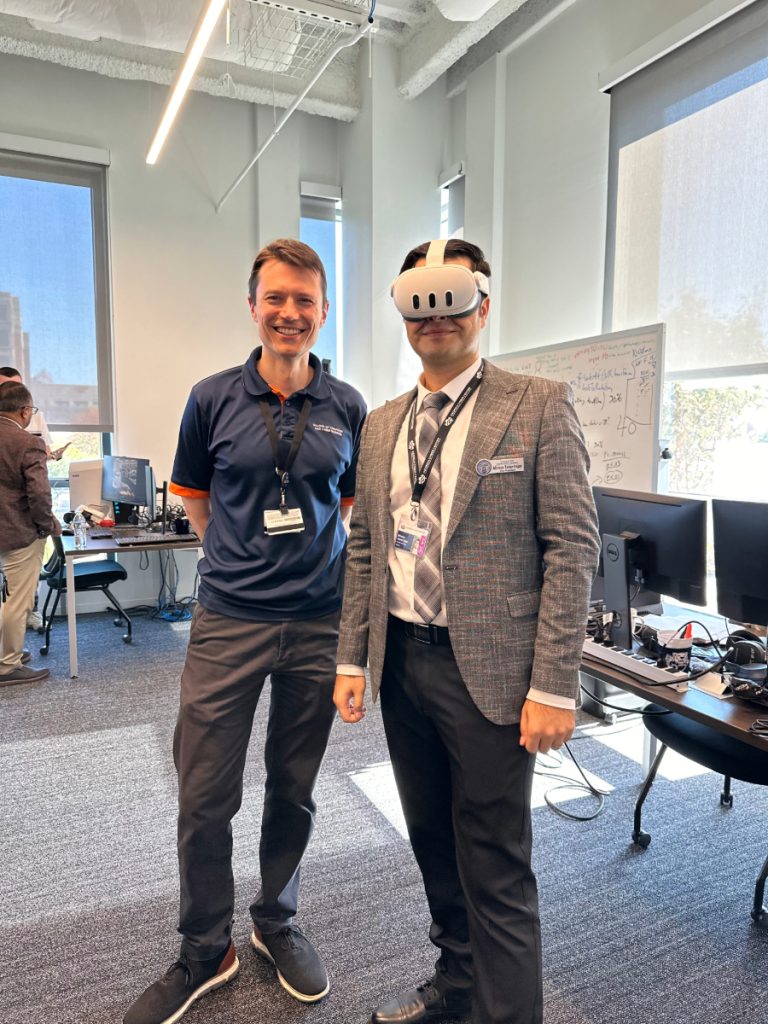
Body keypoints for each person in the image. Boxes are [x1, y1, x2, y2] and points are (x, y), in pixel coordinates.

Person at [334, 238, 600, 1024]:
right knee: (433, 843)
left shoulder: (540, 403)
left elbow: (573, 545)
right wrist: (352, 657)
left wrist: (554, 681)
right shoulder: (381, 425)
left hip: (489, 673)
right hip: (403, 665)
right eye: (421, 302)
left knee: (495, 861)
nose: (436, 319)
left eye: (453, 300)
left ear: (482, 307)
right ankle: (456, 987)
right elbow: (364, 550)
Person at [124, 239, 366, 1024]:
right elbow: (194, 496)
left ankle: (276, 922)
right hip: (229, 620)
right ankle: (205, 947)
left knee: (293, 789)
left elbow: (351, 513)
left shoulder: (348, 408)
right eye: (276, 298)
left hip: (318, 625)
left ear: (323, 311)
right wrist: (238, 560)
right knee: (204, 793)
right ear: (253, 306)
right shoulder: (211, 399)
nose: (289, 312)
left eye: (305, 300)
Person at [0, 380, 59, 685]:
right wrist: (45, 527)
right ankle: (8, 665)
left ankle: (6, 652)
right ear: (24, 411)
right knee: (17, 600)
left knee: (3, 597)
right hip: (17, 533)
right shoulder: (27, 442)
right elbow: (39, 494)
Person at [0, 368, 70, 460]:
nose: (12, 393)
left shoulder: (36, 416)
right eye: (5, 387)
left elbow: (45, 451)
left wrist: (53, 456)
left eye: (16, 387)